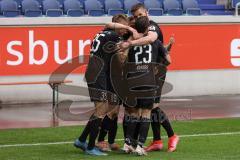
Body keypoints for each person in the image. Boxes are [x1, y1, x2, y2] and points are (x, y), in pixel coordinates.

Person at [119, 3, 179, 153]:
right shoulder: (137, 30)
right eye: (136, 16)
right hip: (147, 73)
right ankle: (154, 141)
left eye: (140, 15)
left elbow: (151, 39)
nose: (138, 18)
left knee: (148, 108)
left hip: (154, 73)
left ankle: (171, 136)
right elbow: (162, 52)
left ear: (147, 13)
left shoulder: (152, 27)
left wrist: (130, 42)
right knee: (145, 110)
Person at [73, 14, 129, 156]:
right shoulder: (114, 36)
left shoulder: (102, 33)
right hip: (97, 73)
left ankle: (81, 140)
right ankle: (91, 147)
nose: (125, 30)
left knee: (101, 109)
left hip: (95, 71)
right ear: (116, 24)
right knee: (101, 109)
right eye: (123, 26)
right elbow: (121, 59)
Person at [122, 16, 168, 156]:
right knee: (146, 114)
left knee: (133, 113)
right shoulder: (155, 42)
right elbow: (168, 60)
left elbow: (123, 58)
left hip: (132, 80)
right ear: (148, 28)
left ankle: (128, 143)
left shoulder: (132, 41)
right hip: (148, 80)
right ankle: (140, 146)